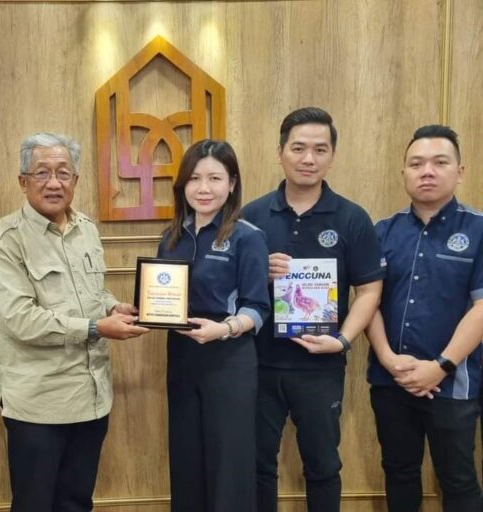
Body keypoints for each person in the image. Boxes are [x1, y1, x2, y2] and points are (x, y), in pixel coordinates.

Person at [0, 132, 148, 511]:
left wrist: (112, 308)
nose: (54, 183)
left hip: (91, 397)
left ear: (76, 180)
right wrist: (96, 328)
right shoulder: (3, 241)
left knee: (76, 502)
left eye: (63, 173)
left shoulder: (86, 228)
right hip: (39, 404)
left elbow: (93, 293)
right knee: (35, 504)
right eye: (42, 173)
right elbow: (20, 320)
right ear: (23, 181)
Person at [241, 107, 384, 512]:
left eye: (320, 149)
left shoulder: (352, 217)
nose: (308, 158)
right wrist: (260, 273)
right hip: (259, 363)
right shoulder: (251, 216)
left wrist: (343, 341)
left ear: (332, 156)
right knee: (257, 465)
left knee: (323, 466)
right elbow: (230, 289)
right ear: (280, 153)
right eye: (298, 148)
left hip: (321, 367)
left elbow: (369, 289)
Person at [365, 125, 483, 512]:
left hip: (453, 383)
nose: (427, 171)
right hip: (391, 379)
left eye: (439, 162)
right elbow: (368, 301)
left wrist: (440, 366)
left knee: (458, 479)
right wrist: (387, 358)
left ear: (460, 172)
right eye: (416, 164)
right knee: (398, 472)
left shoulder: (479, 229)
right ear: (404, 173)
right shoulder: (382, 231)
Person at [157, 139, 270, 511]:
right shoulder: (170, 238)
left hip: (229, 357)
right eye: (194, 178)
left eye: (214, 178)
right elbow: (161, 297)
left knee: (228, 462)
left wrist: (224, 329)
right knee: (186, 458)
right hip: (182, 356)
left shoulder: (247, 236)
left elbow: (258, 307)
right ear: (182, 186)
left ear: (232, 183)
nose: (203, 188)